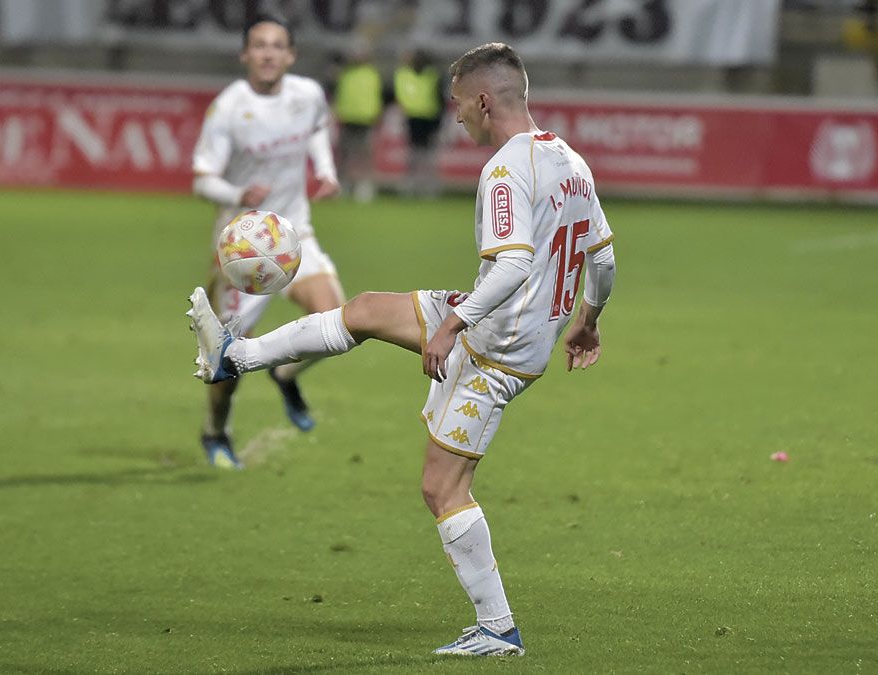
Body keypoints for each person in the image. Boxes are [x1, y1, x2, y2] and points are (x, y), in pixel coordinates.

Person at [187, 42, 616, 656]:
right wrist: (589, 320)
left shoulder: (505, 168)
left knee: (443, 489)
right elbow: (603, 258)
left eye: (459, 104)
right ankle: (237, 354)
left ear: (485, 100)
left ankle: (497, 629)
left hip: (499, 346)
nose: (456, 115)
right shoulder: (570, 159)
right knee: (363, 310)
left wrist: (452, 327)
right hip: (504, 323)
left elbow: (514, 265)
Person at [191, 14, 345, 469]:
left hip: (293, 233)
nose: (268, 53)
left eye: (277, 45)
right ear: (245, 54)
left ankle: (285, 373)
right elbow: (202, 179)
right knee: (225, 364)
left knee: (335, 322)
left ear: (290, 55)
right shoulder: (229, 108)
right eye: (259, 45)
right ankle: (215, 431)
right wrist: (238, 195)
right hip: (242, 249)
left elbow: (317, 128)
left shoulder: (308, 95)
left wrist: (326, 171)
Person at [331, 42, 385, 203]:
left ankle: (364, 186)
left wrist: (375, 113)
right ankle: (343, 186)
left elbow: (376, 96)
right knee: (344, 155)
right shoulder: (345, 74)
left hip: (365, 119)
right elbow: (341, 95)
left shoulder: (372, 74)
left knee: (364, 155)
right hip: (347, 118)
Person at [392, 48, 447, 198]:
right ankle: (411, 186)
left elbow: (440, 100)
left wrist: (439, 122)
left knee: (428, 156)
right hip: (413, 119)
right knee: (414, 155)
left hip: (430, 119)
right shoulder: (405, 74)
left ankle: (428, 187)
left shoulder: (432, 75)